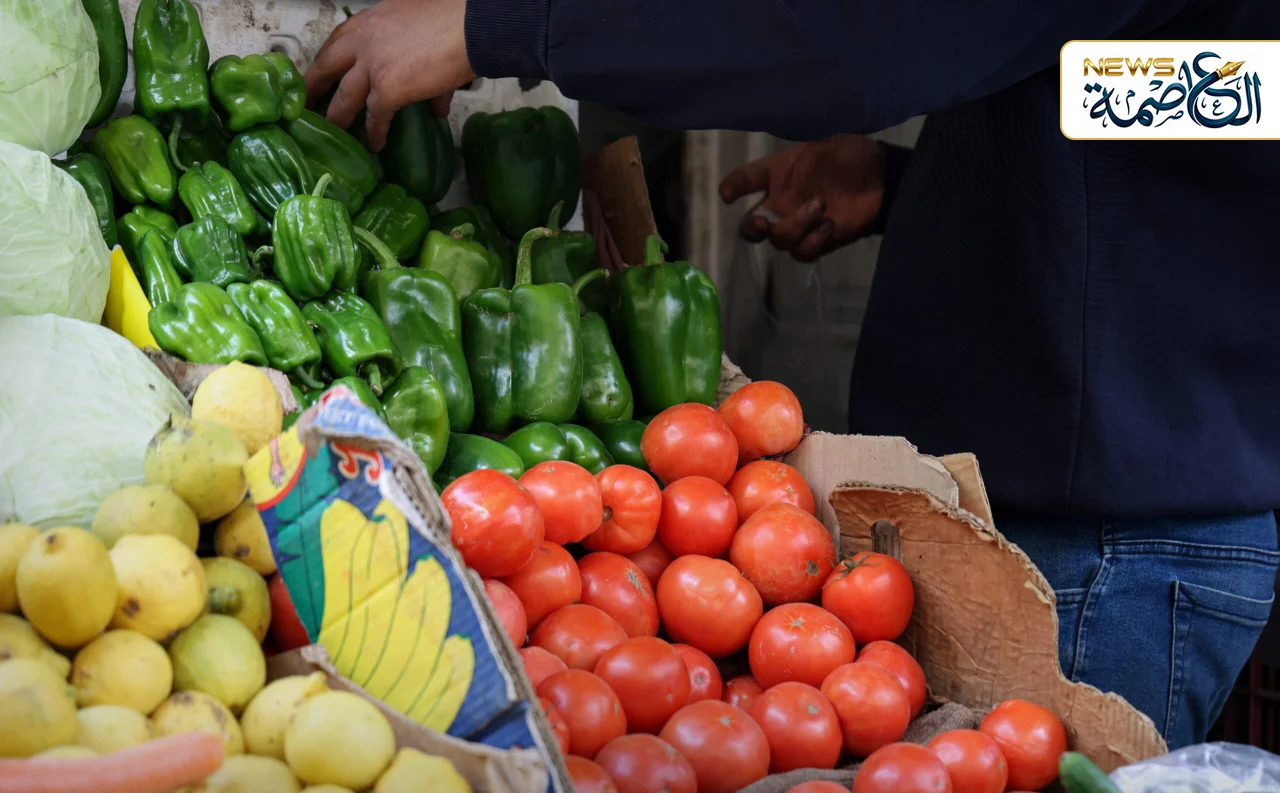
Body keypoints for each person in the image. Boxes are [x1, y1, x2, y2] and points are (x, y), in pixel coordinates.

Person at [306, 0, 1280, 748]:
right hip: (1108, 520)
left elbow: (863, 33)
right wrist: (914, 187)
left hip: (1103, 561)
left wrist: (498, 25)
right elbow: (1161, 104)